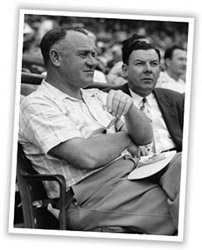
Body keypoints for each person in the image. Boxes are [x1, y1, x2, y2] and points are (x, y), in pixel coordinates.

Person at [19, 27, 181, 235]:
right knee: (183, 206)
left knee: (188, 163)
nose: (93, 62)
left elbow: (145, 136)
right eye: (83, 54)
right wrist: (126, 138)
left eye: (94, 54)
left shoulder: (97, 95)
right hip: (90, 193)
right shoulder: (38, 104)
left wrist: (130, 108)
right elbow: (86, 156)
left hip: (134, 173)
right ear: (56, 58)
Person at [112, 40, 184, 154]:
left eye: (154, 64)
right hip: (135, 166)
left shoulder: (176, 99)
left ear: (160, 70)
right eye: (140, 63)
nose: (148, 70)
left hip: (176, 159)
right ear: (125, 70)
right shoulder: (109, 99)